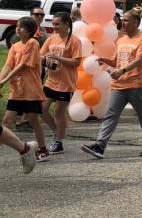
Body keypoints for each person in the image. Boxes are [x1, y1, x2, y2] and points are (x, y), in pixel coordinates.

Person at [81, 10, 142, 158]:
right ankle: (99, 146)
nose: (123, 22)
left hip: (136, 85)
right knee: (111, 115)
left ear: (136, 23)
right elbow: (116, 60)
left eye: (127, 20)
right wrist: (104, 59)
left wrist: (122, 70)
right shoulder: (120, 40)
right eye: (123, 19)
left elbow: (140, 60)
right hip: (118, 86)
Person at [0, 17, 48, 161]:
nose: (17, 29)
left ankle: (42, 149)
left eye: (21, 27)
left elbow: (23, 65)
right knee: (7, 120)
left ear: (29, 30)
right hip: (17, 91)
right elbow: (8, 65)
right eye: (17, 27)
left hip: (31, 91)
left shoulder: (33, 43)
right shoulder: (15, 46)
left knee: (33, 120)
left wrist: (4, 81)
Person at [40, 12, 82, 154]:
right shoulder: (51, 39)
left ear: (66, 24)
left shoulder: (74, 41)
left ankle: (59, 142)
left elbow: (76, 62)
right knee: (42, 108)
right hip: (51, 81)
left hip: (66, 83)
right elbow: (41, 54)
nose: (54, 26)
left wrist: (59, 58)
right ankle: (56, 132)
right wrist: (45, 60)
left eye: (57, 24)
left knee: (59, 113)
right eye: (53, 23)